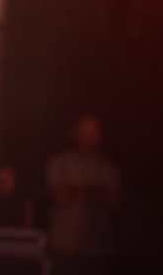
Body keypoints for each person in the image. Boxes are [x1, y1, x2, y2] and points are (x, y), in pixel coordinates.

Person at [46, 114, 121, 275]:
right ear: (74, 134)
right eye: (84, 132)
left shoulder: (109, 168)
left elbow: (113, 201)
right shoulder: (59, 163)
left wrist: (76, 190)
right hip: (65, 247)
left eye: (93, 132)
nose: (88, 137)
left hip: (98, 248)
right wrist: (96, 191)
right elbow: (60, 197)